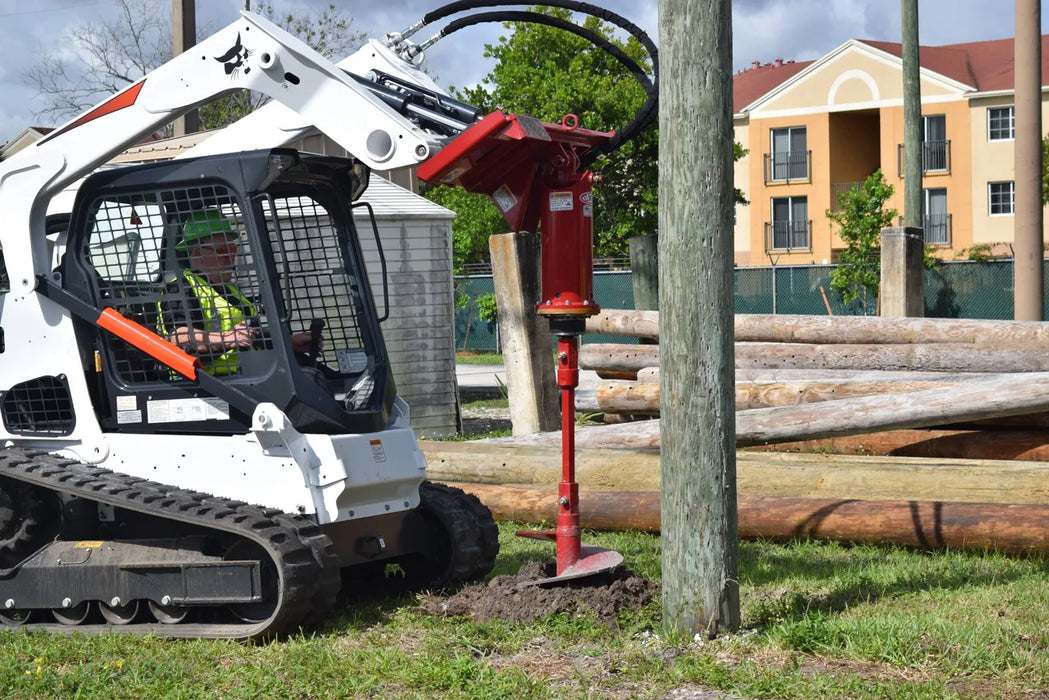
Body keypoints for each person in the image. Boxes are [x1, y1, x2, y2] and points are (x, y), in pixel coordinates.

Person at [158, 209, 312, 375]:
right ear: (197, 253)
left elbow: (250, 336)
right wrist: (226, 339)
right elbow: (179, 337)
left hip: (249, 375)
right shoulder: (181, 289)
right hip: (209, 384)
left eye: (233, 250)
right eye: (223, 251)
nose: (230, 257)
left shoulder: (230, 292)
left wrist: (288, 343)